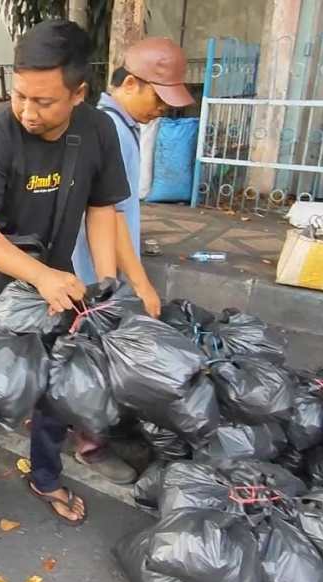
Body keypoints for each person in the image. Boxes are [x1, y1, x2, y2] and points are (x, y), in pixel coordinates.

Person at [0, 20, 160, 525]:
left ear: (78, 93)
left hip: (53, 289)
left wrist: (105, 286)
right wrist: (40, 275)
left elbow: (101, 208)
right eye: (19, 95)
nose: (27, 111)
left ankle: (45, 476)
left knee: (57, 387)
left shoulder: (97, 130)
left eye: (43, 101)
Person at [70, 37, 194, 466]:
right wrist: (140, 283)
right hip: (97, 264)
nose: (162, 108)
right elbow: (112, 215)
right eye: (158, 98)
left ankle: (85, 425)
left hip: (101, 262)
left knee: (90, 342)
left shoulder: (115, 124)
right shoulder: (112, 131)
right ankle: (89, 437)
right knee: (97, 344)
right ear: (133, 84)